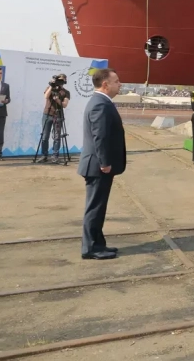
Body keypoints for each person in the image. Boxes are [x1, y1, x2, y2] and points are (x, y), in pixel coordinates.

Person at [78, 68, 126, 260]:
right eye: (116, 81)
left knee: (98, 207)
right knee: (95, 208)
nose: (120, 84)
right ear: (105, 84)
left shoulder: (101, 102)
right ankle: (90, 248)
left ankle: (98, 243)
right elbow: (100, 136)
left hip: (98, 165)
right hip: (98, 166)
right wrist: (105, 162)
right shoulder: (100, 104)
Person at [41, 73, 71, 163]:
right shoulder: (49, 88)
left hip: (58, 115)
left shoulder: (66, 92)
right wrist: (52, 85)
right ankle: (44, 155)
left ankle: (55, 156)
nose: (60, 82)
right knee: (45, 136)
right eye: (59, 80)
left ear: (65, 81)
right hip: (47, 114)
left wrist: (57, 100)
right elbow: (46, 96)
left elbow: (64, 105)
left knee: (57, 137)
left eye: (62, 80)